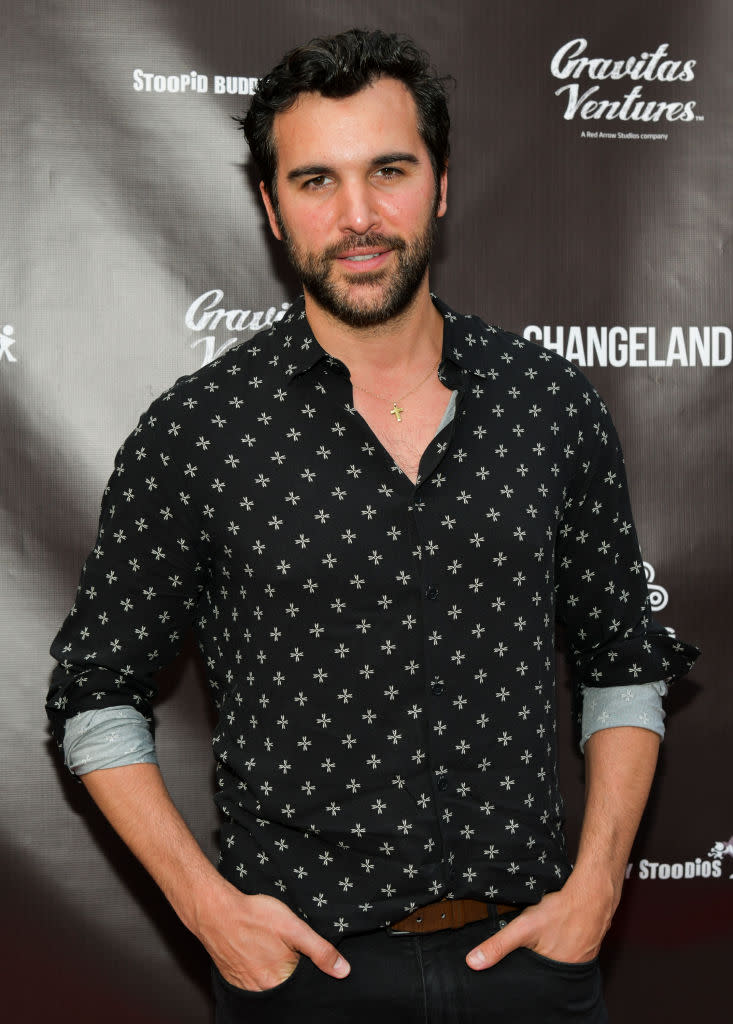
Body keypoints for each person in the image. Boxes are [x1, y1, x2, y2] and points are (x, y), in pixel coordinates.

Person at [47, 28, 698, 1024]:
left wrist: (596, 887)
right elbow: (95, 697)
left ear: (438, 183)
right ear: (270, 207)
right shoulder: (198, 432)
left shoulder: (548, 404)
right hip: (303, 981)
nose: (357, 216)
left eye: (387, 170)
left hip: (530, 962)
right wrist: (209, 911)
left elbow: (623, 664)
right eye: (315, 181)